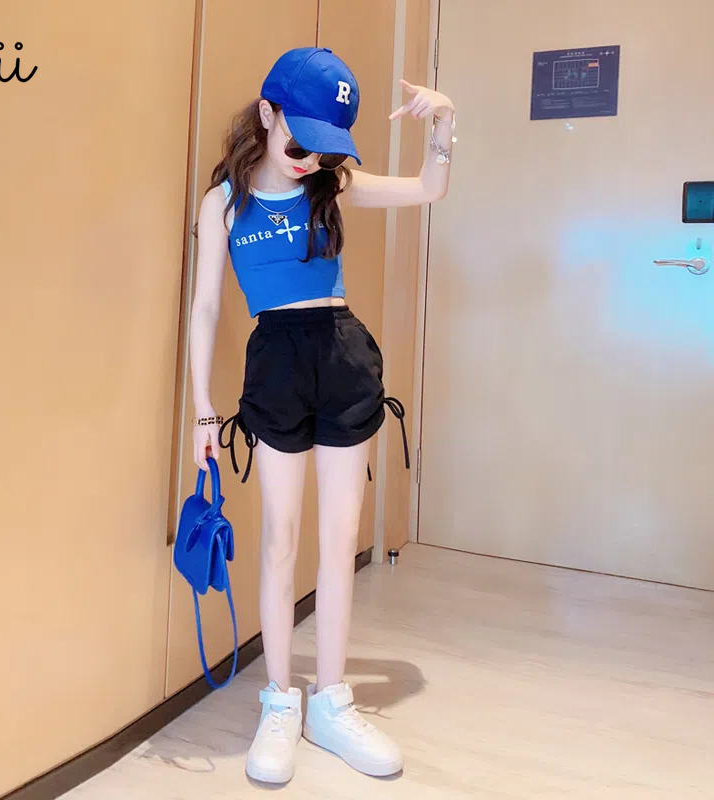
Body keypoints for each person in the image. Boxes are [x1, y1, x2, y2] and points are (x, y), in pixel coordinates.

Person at [189, 47, 454, 784]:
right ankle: (281, 701)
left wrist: (443, 125)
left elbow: (428, 188)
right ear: (266, 114)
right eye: (299, 141)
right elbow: (206, 306)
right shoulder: (224, 203)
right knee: (281, 541)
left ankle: (331, 702)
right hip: (275, 361)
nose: (310, 160)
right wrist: (203, 410)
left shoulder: (331, 185)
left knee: (338, 544)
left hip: (341, 355)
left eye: (325, 148)